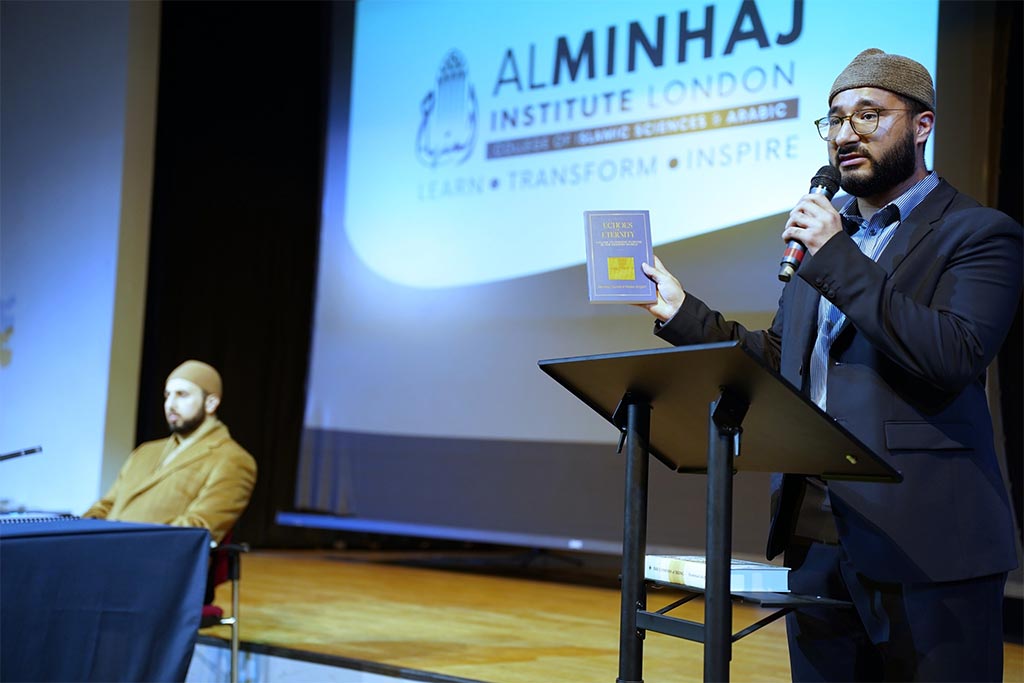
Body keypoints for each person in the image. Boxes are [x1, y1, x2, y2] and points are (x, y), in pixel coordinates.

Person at [639, 48, 1022, 682]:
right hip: (815, 532)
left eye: (868, 116)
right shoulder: (825, 242)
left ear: (922, 125)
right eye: (835, 120)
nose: (846, 135)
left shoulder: (978, 233)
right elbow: (781, 361)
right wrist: (683, 313)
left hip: (927, 542)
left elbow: (952, 353)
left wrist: (836, 256)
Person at [84, 360, 257, 544]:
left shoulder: (233, 459)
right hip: (104, 551)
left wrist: (123, 543)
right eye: (167, 395)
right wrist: (85, 528)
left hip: (157, 562)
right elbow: (106, 505)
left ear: (211, 403)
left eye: (182, 395)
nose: (170, 404)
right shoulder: (145, 451)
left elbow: (196, 528)